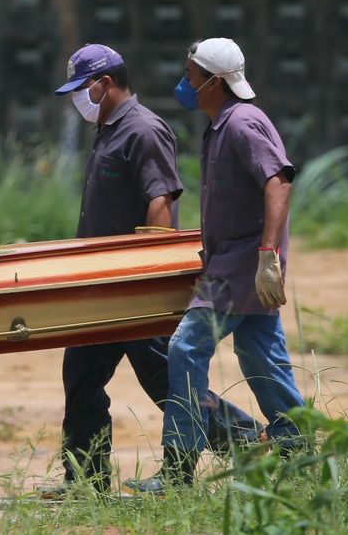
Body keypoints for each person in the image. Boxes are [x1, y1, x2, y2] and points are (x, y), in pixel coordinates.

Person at [43, 44, 263, 498]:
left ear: (103, 85)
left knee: (164, 375)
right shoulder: (107, 129)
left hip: (131, 285)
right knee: (82, 376)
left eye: (81, 90)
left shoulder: (143, 130)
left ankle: (246, 440)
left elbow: (160, 205)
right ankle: (84, 482)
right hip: (99, 283)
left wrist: (147, 278)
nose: (76, 100)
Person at [124, 38, 307, 494]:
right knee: (261, 353)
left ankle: (178, 470)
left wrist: (268, 255)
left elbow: (279, 182)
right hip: (233, 262)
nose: (184, 84)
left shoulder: (242, 124)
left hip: (244, 263)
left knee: (185, 349)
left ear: (215, 81)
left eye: (190, 76)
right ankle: (296, 445)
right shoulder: (221, 125)